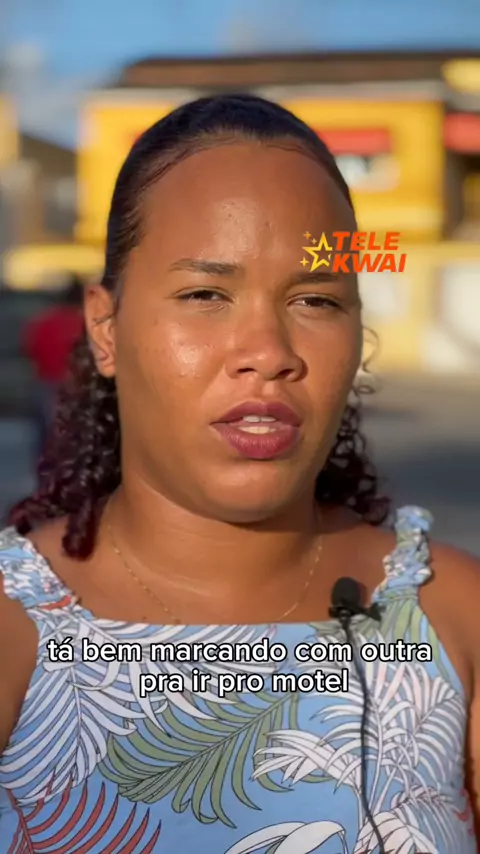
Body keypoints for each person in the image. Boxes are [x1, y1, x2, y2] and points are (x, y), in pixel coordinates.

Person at [0, 94, 478, 854]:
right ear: (105, 328)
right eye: (205, 295)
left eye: (315, 299)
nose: (268, 351)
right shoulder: (14, 628)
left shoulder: (452, 612)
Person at [23, 275, 84, 461]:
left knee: (46, 432)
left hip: (46, 383)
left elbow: (31, 350)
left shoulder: (43, 321)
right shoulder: (83, 324)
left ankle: (45, 466)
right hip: (76, 384)